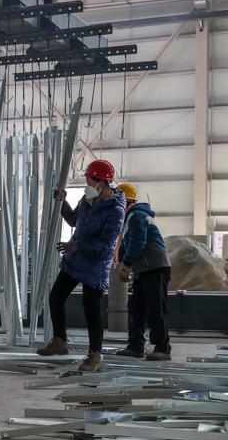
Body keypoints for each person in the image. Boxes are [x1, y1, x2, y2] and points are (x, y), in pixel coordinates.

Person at [37, 159, 125, 373]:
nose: (87, 186)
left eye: (89, 182)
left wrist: (77, 245)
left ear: (102, 183)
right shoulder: (87, 200)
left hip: (95, 265)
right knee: (56, 297)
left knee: (91, 309)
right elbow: (73, 220)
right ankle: (60, 340)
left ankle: (95, 354)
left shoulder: (115, 210)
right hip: (75, 260)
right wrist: (63, 202)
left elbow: (105, 246)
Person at [117, 183, 172, 361]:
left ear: (124, 202)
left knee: (156, 308)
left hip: (154, 267)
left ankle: (162, 348)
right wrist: (120, 260)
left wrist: (126, 264)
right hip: (144, 268)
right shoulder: (130, 218)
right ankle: (135, 346)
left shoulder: (136, 216)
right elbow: (126, 244)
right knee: (136, 307)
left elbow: (137, 242)